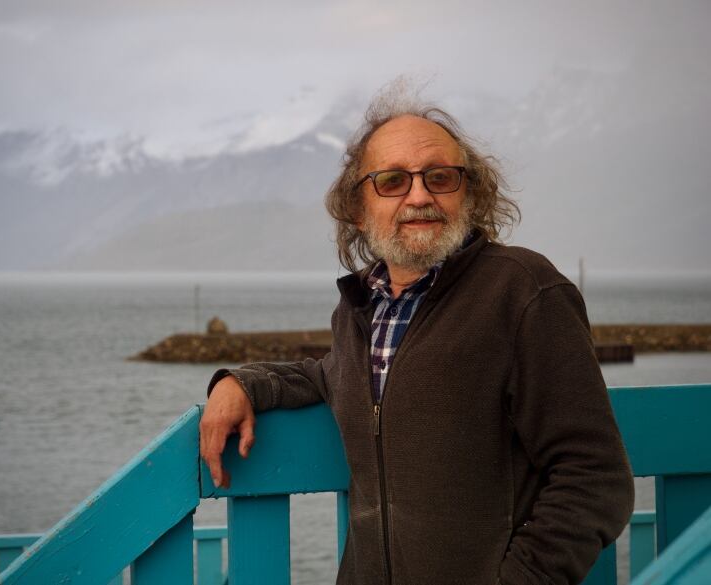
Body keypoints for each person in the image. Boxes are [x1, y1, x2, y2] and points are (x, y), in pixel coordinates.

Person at [200, 89, 635, 585]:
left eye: (440, 177)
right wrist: (240, 384)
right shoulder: (361, 306)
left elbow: (595, 478)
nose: (420, 195)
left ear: (468, 195)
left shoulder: (524, 291)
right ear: (358, 208)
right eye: (392, 181)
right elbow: (330, 375)